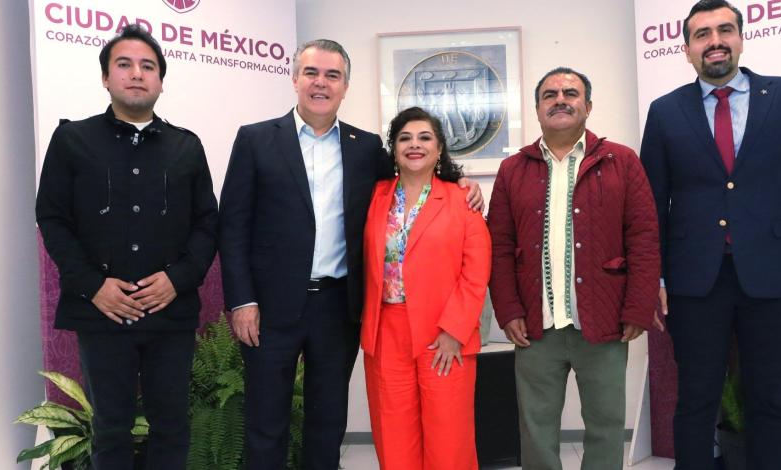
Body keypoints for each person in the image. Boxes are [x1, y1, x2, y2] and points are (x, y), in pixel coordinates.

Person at [218, 39, 483, 470]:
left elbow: (412, 178)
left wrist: (463, 183)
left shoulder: (365, 146)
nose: (321, 83)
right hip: (269, 307)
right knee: (266, 421)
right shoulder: (255, 140)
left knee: (327, 422)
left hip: (337, 307)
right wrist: (243, 301)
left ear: (345, 86)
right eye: (312, 73)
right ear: (294, 78)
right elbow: (232, 227)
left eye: (332, 76)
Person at [639, 1, 781, 469]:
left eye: (724, 30)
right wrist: (657, 278)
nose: (715, 41)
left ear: (740, 37)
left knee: (769, 398)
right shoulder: (666, 112)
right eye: (702, 34)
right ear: (687, 49)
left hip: (776, 276)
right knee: (695, 400)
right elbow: (652, 207)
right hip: (694, 281)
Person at [35, 24, 218, 469]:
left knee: (172, 424)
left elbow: (208, 222)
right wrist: (93, 286)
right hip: (101, 311)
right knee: (111, 428)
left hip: (168, 313)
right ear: (105, 78)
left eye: (147, 66)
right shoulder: (72, 140)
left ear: (160, 80)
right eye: (124, 64)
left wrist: (177, 280)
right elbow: (53, 218)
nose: (136, 74)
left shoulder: (186, 146)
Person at [487, 67, 660, 470]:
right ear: (537, 108)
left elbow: (645, 238)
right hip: (535, 324)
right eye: (550, 94)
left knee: (606, 424)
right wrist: (509, 311)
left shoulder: (622, 161)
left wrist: (637, 307)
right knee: (535, 428)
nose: (560, 99)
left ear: (588, 105)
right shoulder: (514, 169)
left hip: (603, 321)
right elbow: (499, 246)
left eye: (570, 92)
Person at [361, 107, 491, 470]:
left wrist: (455, 331)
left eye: (424, 138)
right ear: (394, 149)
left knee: (448, 440)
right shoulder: (374, 196)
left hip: (445, 334)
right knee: (394, 436)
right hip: (385, 332)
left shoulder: (462, 200)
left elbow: (476, 271)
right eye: (405, 138)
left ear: (439, 149)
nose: (414, 145)